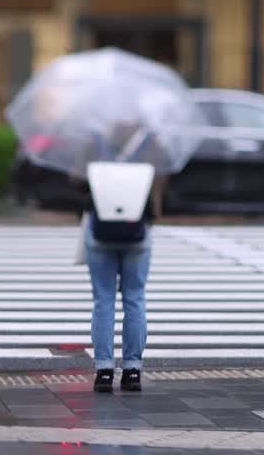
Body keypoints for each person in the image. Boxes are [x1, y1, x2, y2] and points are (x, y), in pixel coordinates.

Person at [82, 123, 163, 394]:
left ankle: (104, 370)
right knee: (135, 298)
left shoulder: (94, 140)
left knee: (103, 299)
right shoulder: (149, 143)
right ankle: (132, 371)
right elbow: (163, 178)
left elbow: (74, 179)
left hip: (100, 229)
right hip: (137, 228)